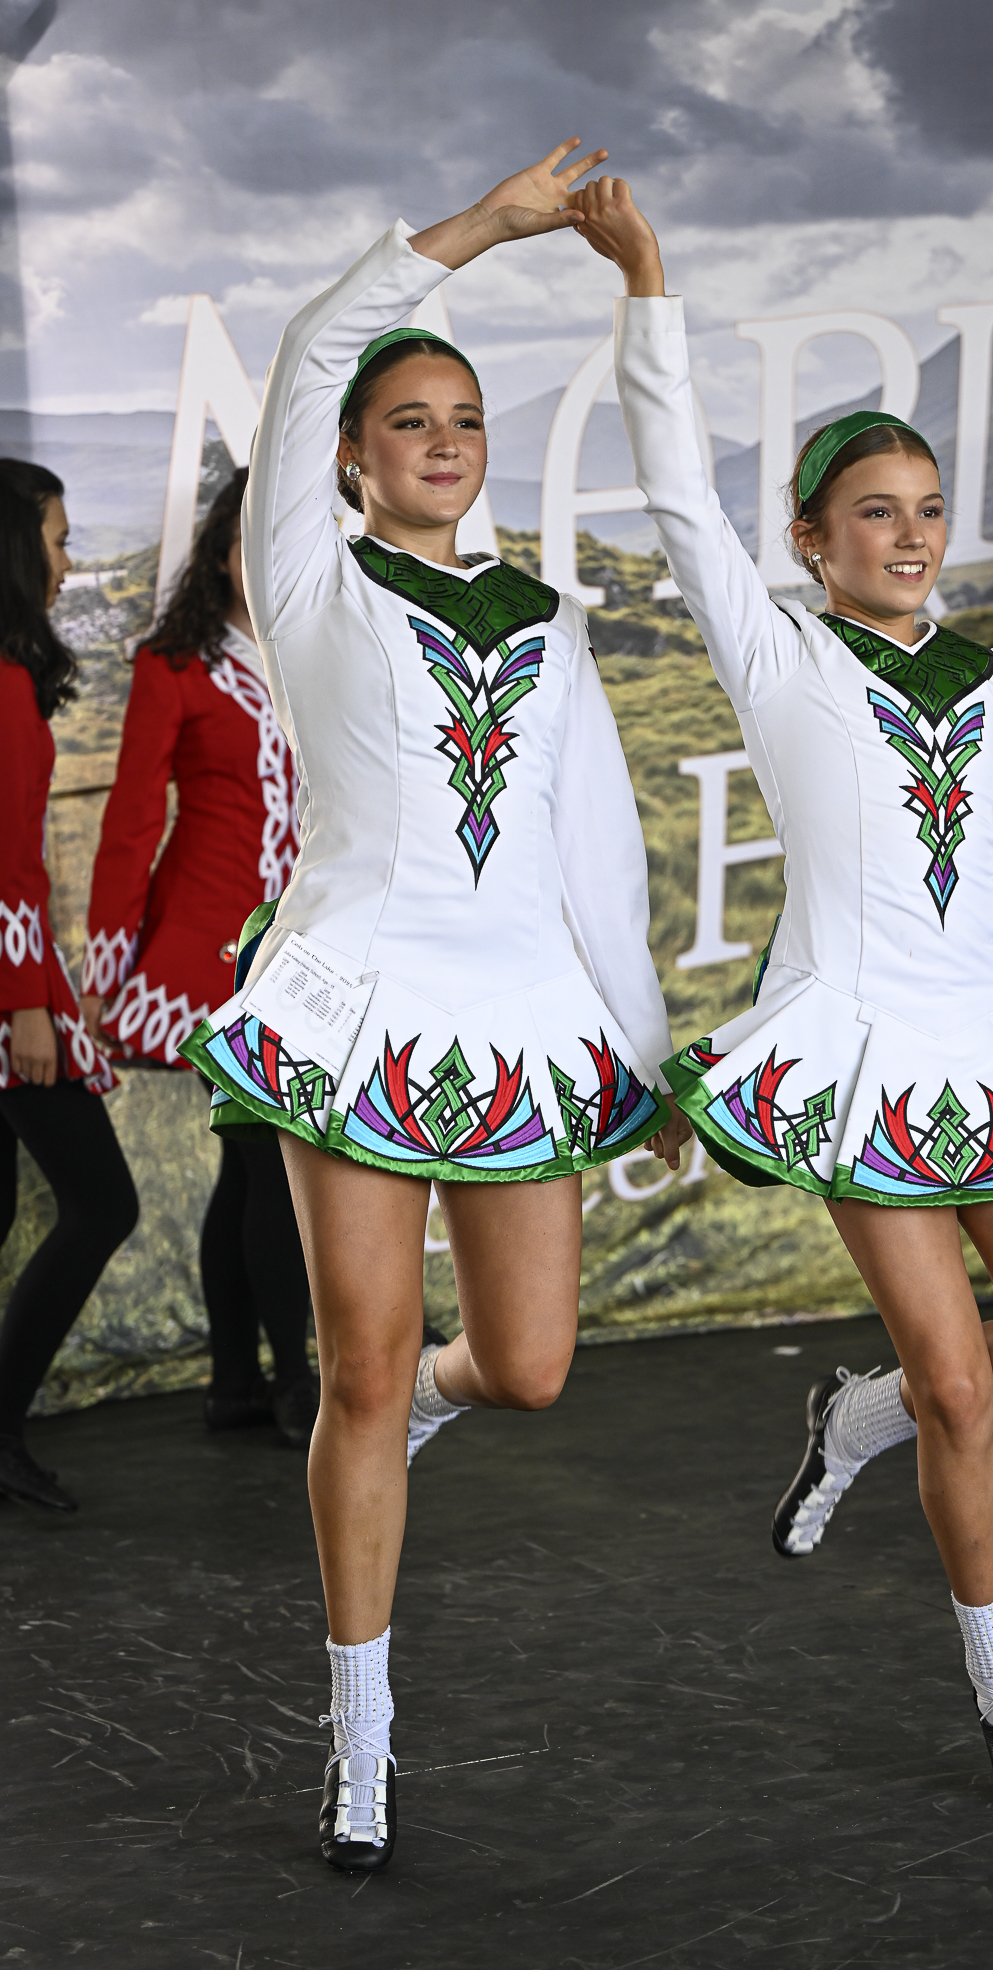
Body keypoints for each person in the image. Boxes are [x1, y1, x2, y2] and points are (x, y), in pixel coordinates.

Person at [578, 177, 993, 1814]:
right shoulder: (778, 648)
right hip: (849, 1045)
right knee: (969, 1379)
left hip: (989, 1043)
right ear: (811, 538)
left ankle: (854, 1418)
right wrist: (649, 279)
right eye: (872, 510)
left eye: (926, 507)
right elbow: (673, 486)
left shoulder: (987, 672)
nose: (908, 534)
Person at [181, 143, 688, 1873]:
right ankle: (362, 1737)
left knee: (529, 1367)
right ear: (349, 456)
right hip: (357, 1002)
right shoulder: (310, 581)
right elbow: (317, 344)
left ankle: (407, 1429)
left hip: (520, 1021)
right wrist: (487, 229)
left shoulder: (546, 618)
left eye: (461, 415)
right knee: (368, 1366)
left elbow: (596, 854)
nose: (441, 437)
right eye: (409, 418)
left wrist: (634, 1052)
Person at [81, 471, 315, 1445]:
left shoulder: (325, 655)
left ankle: (232, 1381)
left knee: (249, 1168)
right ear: (220, 551)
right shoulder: (171, 665)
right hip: (210, 950)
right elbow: (133, 821)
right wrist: (108, 965)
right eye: (245, 542)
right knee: (271, 1160)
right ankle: (298, 1375)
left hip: (310, 948)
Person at [0, 461, 138, 1510]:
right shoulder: (3, 682)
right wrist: (29, 1004)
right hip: (11, 998)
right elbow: (6, 859)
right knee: (99, 1199)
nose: (70, 556)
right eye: (56, 536)